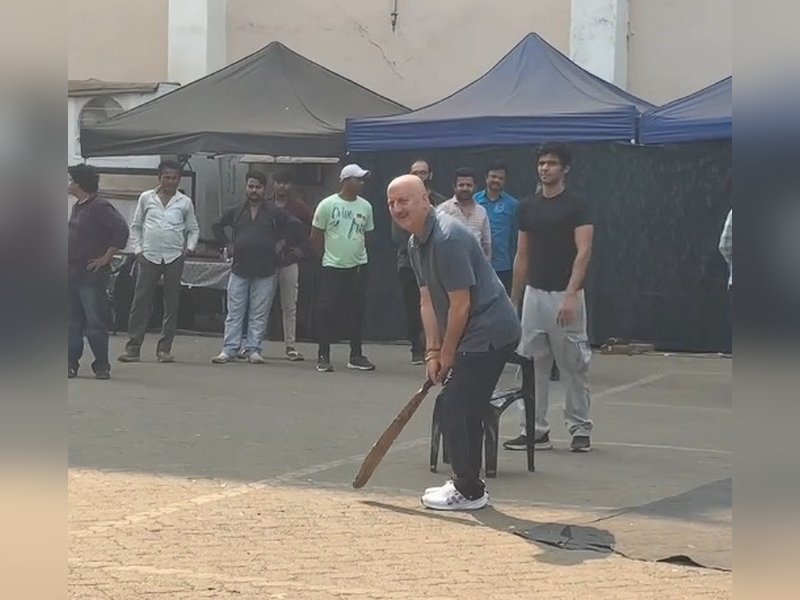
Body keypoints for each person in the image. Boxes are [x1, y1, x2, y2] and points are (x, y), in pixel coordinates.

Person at [388, 174, 520, 510]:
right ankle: (470, 485)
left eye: (404, 200)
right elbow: (427, 301)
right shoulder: (416, 244)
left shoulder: (447, 237)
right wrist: (432, 352)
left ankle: (468, 490)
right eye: (391, 202)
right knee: (464, 405)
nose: (397, 208)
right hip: (470, 332)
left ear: (425, 200)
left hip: (491, 329)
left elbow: (460, 305)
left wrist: (447, 357)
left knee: (455, 404)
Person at [506, 142, 594, 453]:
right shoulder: (527, 206)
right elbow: (522, 254)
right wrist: (514, 300)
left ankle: (580, 428)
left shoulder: (577, 206)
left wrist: (571, 294)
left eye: (552, 163)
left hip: (566, 295)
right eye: (542, 163)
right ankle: (534, 429)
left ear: (565, 169)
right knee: (529, 364)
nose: (545, 168)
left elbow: (583, 252)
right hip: (534, 295)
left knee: (573, 364)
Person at [211, 170, 303, 364]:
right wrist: (226, 245)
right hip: (239, 267)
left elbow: (296, 225)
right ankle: (229, 349)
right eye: (251, 186)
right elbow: (216, 225)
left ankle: (254, 348)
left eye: (258, 187)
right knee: (234, 310)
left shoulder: (274, 212)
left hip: (265, 268)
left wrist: (282, 243)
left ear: (264, 189)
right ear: (246, 187)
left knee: (258, 312)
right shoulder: (237, 210)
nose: (254, 190)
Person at [118, 160, 199, 363]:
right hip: (149, 256)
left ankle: (164, 348)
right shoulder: (146, 198)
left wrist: (188, 248)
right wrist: (138, 250)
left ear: (179, 180)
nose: (170, 182)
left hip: (174, 256)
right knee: (140, 301)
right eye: (167, 177)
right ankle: (133, 347)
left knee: (171, 303)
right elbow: (135, 226)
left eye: (174, 178)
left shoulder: (184, 202)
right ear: (159, 178)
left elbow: (193, 229)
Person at [310, 164, 376, 373]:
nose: (362, 183)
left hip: (358, 266)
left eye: (363, 179)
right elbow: (316, 235)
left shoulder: (366, 207)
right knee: (327, 310)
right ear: (346, 181)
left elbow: (368, 234)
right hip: (332, 266)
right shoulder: (328, 205)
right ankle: (323, 355)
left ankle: (356, 355)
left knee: (357, 310)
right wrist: (327, 257)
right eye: (358, 179)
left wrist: (360, 256)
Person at [68, 164, 129, 379]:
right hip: (71, 273)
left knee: (95, 321)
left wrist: (106, 257)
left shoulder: (100, 206)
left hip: (90, 275)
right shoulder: (79, 207)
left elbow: (121, 230)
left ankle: (101, 364)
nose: (69, 184)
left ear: (80, 183)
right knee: (71, 322)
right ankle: (70, 363)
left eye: (71, 180)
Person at [392, 159, 447, 364]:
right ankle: (417, 348)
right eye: (415, 172)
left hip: (437, 263)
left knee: (439, 305)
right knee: (414, 306)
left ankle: (438, 348)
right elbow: (398, 234)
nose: (419, 176)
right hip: (409, 263)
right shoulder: (400, 202)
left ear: (430, 175)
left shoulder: (443, 202)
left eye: (423, 173)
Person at [270, 171, 315, 361]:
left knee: (289, 305)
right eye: (278, 182)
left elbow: (315, 228)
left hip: (289, 261)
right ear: (273, 184)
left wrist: (303, 249)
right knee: (260, 305)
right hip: (266, 261)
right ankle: (252, 345)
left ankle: (290, 345)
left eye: (285, 183)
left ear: (291, 186)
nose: (281, 187)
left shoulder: (299, 207)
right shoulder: (266, 205)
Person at [475, 161, 519, 295]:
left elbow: (516, 236)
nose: (496, 180)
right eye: (493, 177)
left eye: (500, 178)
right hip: (478, 266)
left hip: (503, 266)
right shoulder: (474, 201)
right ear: (486, 178)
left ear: (505, 181)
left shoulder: (513, 204)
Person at [436, 168, 492, 259]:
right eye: (461, 185)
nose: (465, 188)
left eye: (469, 185)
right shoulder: (442, 210)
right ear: (454, 187)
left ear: (475, 187)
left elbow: (487, 244)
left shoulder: (481, 211)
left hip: (476, 267)